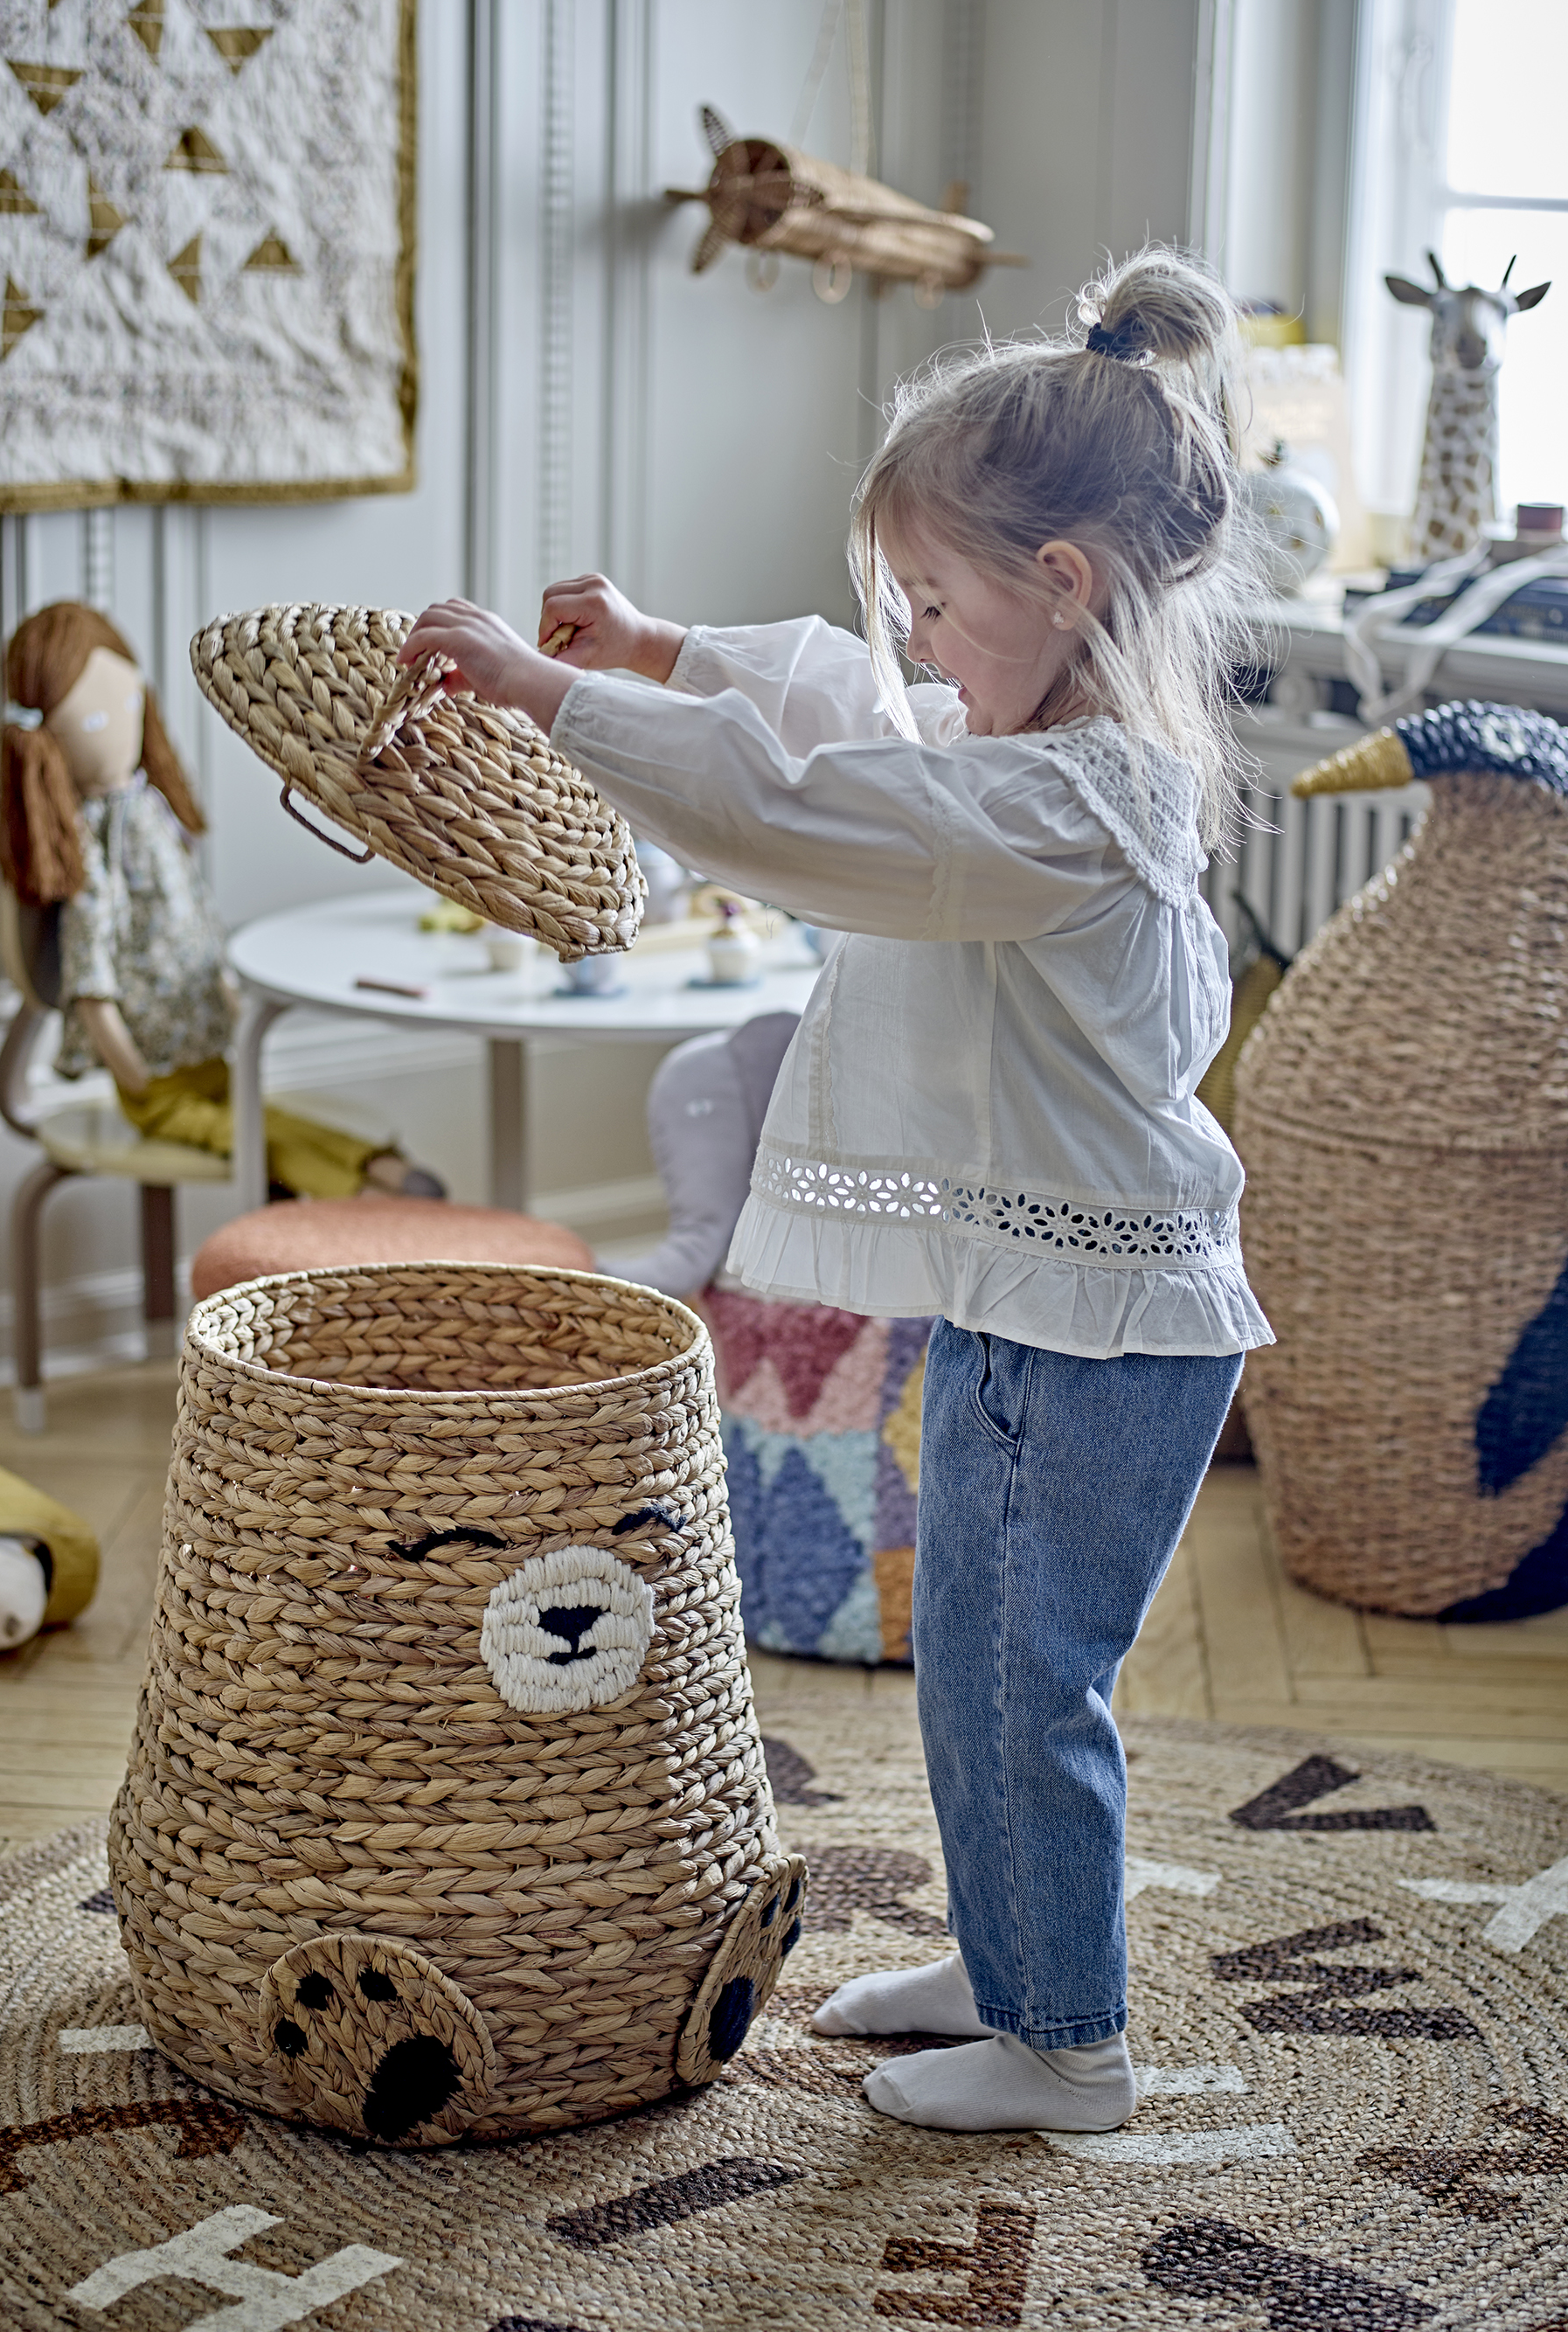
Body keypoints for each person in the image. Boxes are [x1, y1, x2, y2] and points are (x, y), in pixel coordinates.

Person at [401, 247, 1274, 2134]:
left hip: (1108, 1332)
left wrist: (558, 694)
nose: (913, 636)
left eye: (937, 600)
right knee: (966, 1654)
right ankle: (1017, 1958)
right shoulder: (1006, 743)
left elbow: (813, 810)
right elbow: (850, 720)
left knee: (1026, 1676)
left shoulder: (1071, 806)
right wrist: (660, 650)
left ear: (1068, 586)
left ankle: (1075, 2047)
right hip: (1026, 1307)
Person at [0, 601, 441, 1200]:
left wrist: (225, 995)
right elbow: (89, 961)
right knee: (246, 1135)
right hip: (153, 1077)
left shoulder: (149, 813)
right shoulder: (89, 846)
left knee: (261, 1118)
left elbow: (192, 914)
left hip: (203, 1046)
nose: (125, 726)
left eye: (130, 704)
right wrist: (124, 1061)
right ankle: (369, 1179)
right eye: (97, 723)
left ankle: (372, 1169)